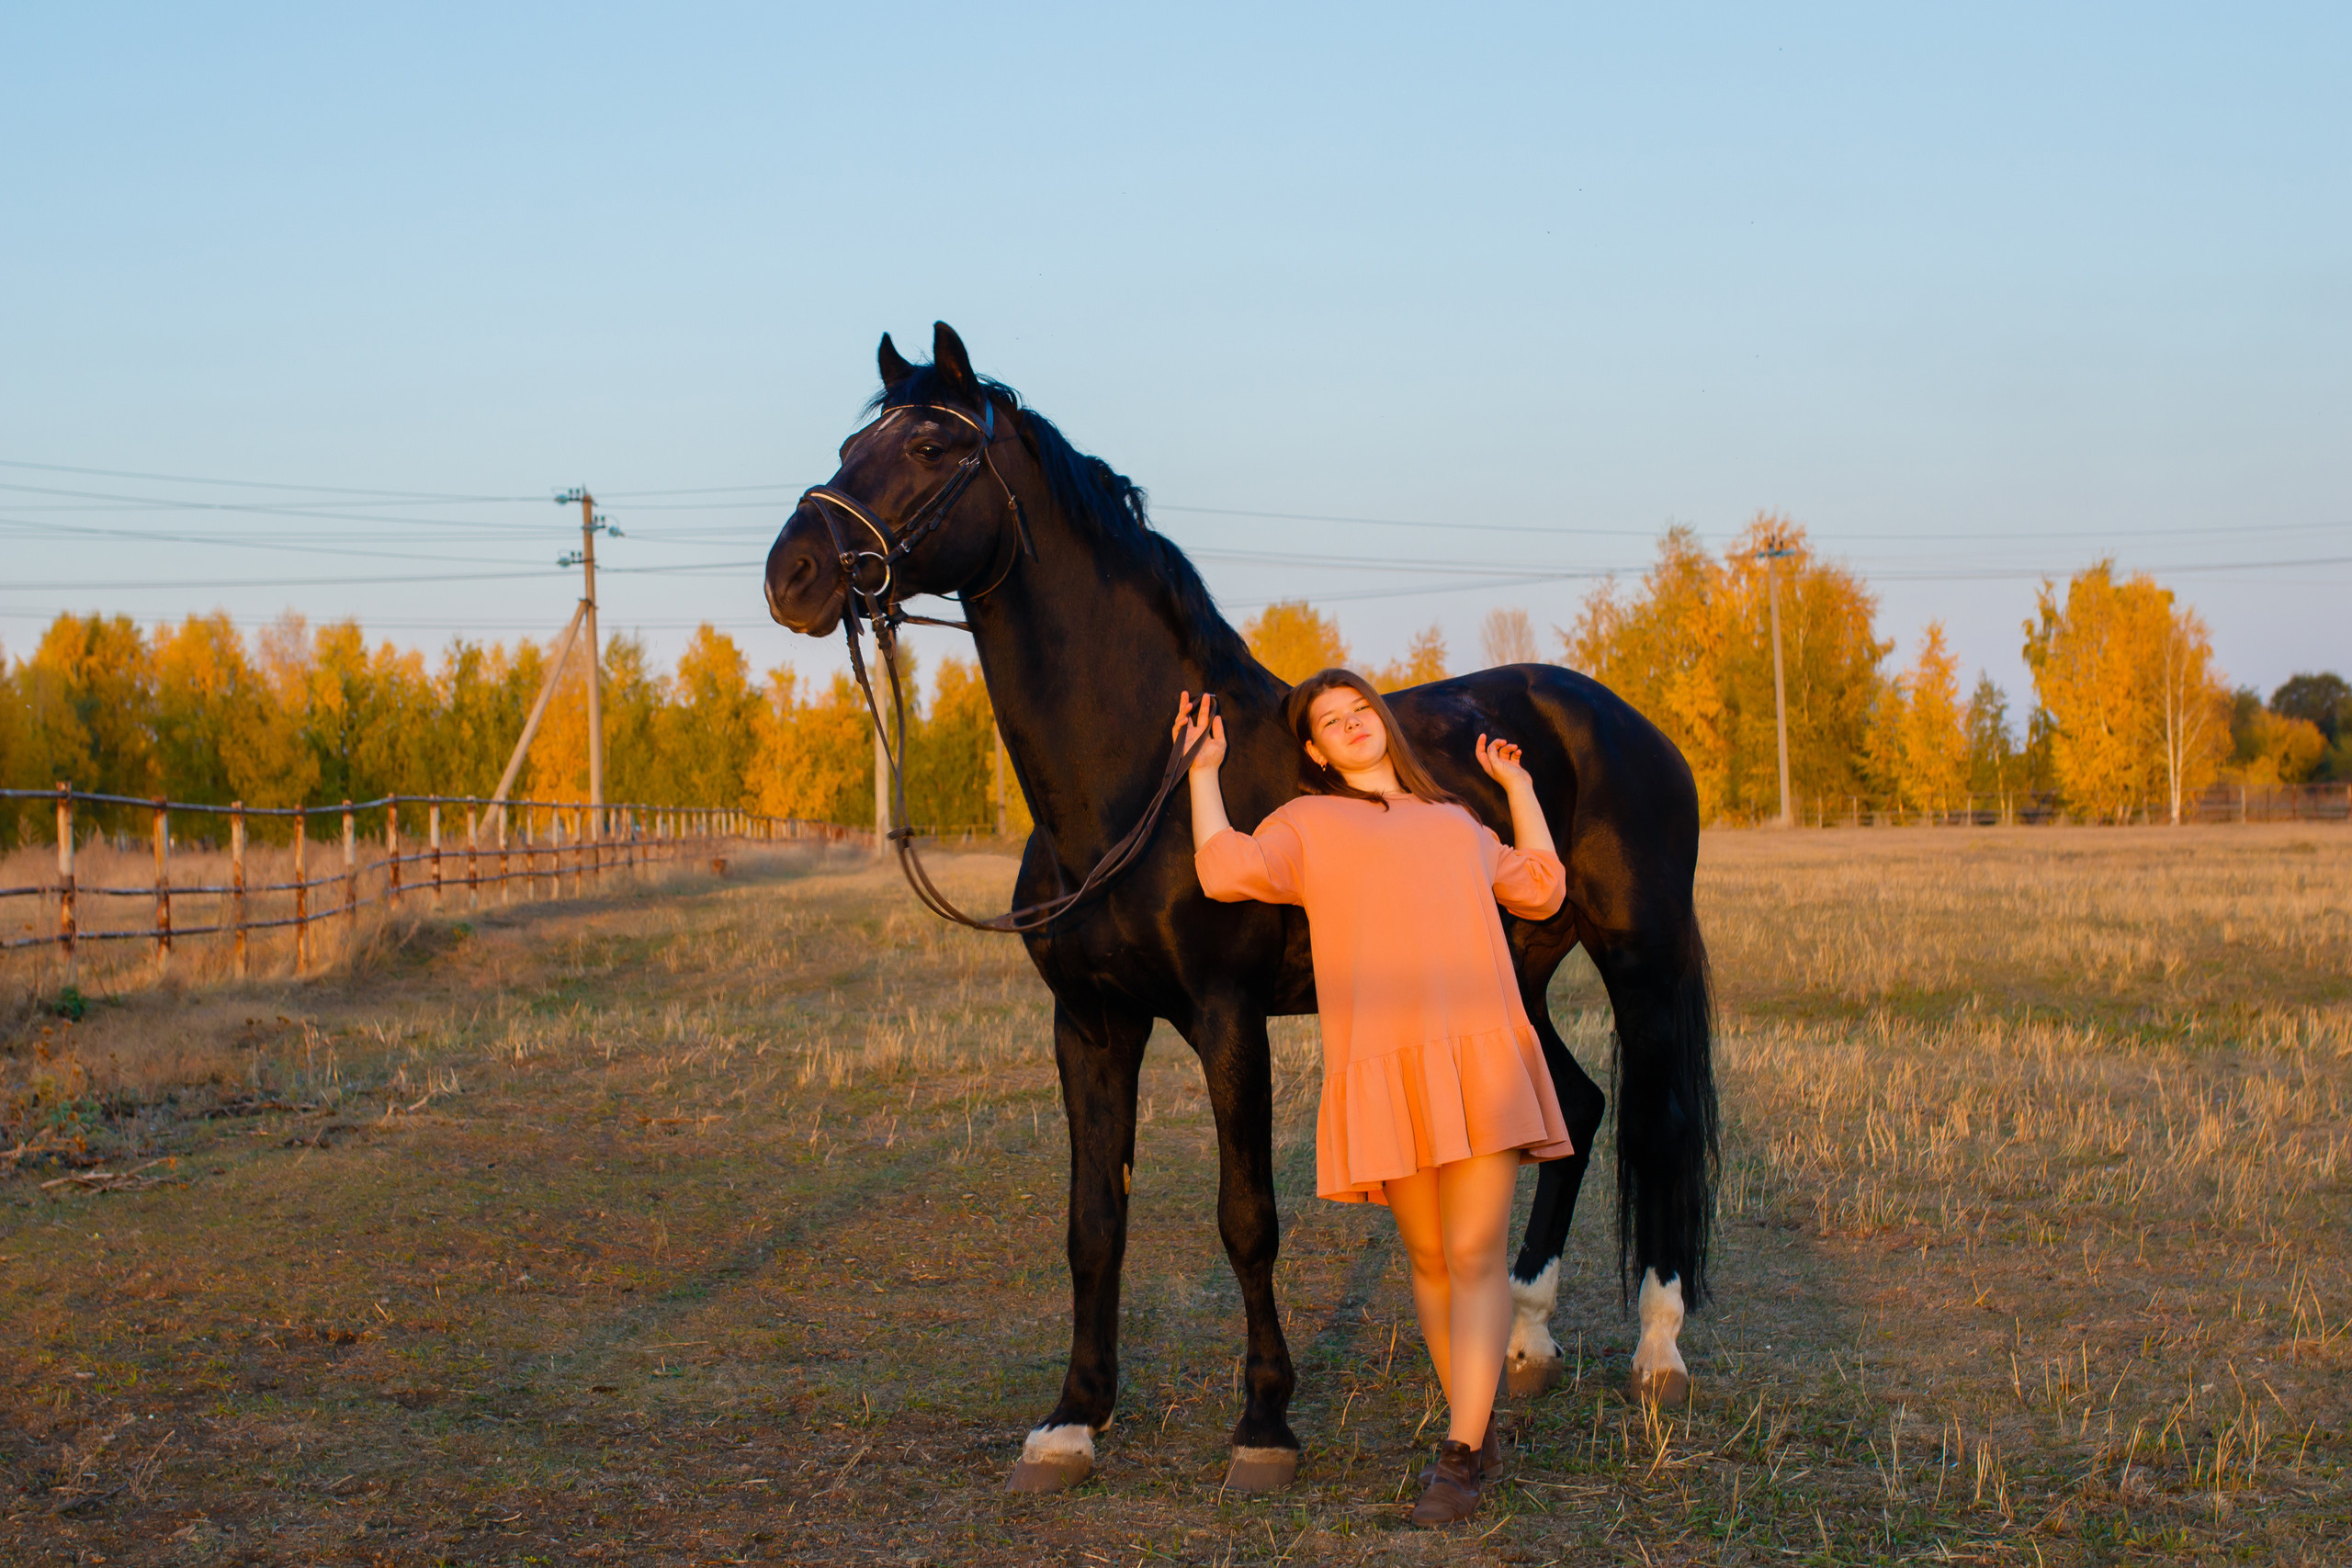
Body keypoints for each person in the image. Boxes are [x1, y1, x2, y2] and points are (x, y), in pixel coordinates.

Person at [1174, 669, 1573, 1526]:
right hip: (1384, 1067)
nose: (1353, 726)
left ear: (1383, 725)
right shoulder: (1308, 825)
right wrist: (1204, 773)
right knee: (1430, 1260)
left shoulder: (1456, 822)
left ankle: (1461, 1452)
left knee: (1473, 1252)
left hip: (1480, 1058)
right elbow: (1223, 870)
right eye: (1332, 721)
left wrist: (1521, 788)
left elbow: (1542, 884)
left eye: (1362, 711)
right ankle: (1477, 1420)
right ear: (1315, 749)